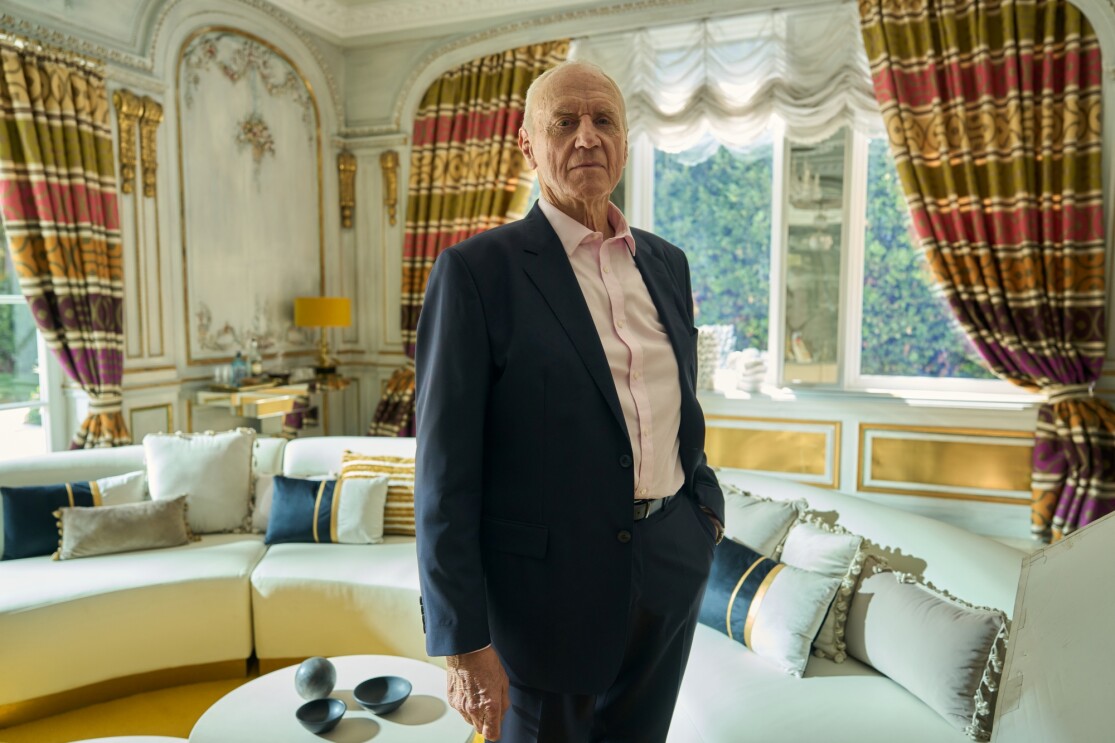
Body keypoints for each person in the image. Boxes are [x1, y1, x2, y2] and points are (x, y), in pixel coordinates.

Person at [414, 59, 725, 743]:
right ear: (528, 145)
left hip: (670, 566)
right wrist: (462, 642)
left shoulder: (667, 263)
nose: (587, 136)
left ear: (624, 141)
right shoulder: (476, 272)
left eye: (603, 120)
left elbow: (678, 404)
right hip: (542, 601)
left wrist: (702, 515)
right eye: (564, 122)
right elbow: (444, 473)